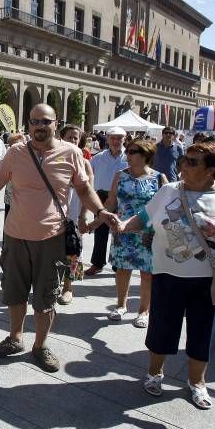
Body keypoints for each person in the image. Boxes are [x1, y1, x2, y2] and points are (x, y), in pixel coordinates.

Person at [0, 104, 117, 372]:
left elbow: (84, 188)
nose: (39, 126)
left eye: (45, 121)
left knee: (46, 296)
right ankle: (15, 339)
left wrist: (101, 210)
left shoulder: (71, 153)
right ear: (28, 125)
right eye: (34, 121)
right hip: (15, 236)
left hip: (52, 238)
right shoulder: (16, 152)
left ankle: (40, 345)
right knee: (14, 292)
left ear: (55, 123)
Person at [116, 141, 215, 409]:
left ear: (211, 170)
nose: (183, 165)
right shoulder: (168, 191)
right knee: (162, 328)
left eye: (192, 161)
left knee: (203, 333)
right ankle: (154, 374)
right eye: (184, 159)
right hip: (168, 274)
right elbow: (144, 216)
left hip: (210, 280)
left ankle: (197, 382)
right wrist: (123, 225)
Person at [91, 139, 166, 327]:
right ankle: (121, 305)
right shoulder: (120, 175)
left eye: (132, 151)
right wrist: (95, 223)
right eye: (129, 151)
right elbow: (110, 203)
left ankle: (144, 311)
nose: (128, 154)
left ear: (145, 155)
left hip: (148, 233)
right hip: (122, 230)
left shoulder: (159, 178)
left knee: (147, 273)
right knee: (122, 269)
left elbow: (166, 207)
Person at [57, 124, 95, 305]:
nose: (73, 140)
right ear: (61, 137)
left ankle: (68, 288)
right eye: (70, 137)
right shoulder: (54, 160)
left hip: (74, 215)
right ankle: (52, 284)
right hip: (54, 216)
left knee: (73, 252)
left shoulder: (85, 163)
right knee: (53, 251)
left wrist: (83, 216)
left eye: (76, 138)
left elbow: (89, 193)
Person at [86, 126, 128, 275]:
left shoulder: (129, 157)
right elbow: (88, 175)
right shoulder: (98, 157)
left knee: (120, 231)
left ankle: (118, 264)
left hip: (122, 197)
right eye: (113, 138)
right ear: (108, 139)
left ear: (124, 139)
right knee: (100, 230)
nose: (116, 141)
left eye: (119, 138)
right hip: (102, 197)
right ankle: (97, 263)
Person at [3, 133, 26, 219]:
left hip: (24, 200)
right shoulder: (8, 157)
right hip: (10, 198)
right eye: (12, 145)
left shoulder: (29, 159)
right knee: (8, 221)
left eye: (18, 145)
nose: (15, 148)